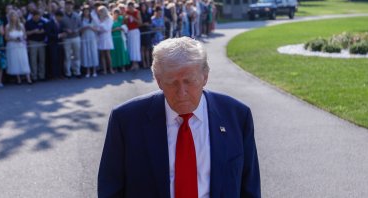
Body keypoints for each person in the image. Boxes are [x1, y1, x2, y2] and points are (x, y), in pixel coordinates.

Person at [98, 37, 261, 197]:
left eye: (189, 81)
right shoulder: (126, 120)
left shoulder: (236, 115)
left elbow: (249, 185)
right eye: (172, 83)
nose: (182, 92)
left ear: (205, 77)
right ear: (158, 80)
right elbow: (110, 187)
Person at [5, 10, 32, 84]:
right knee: (15, 61)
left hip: (21, 45)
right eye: (12, 16)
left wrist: (22, 38)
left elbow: (25, 35)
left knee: (24, 60)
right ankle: (18, 78)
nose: (14, 17)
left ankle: (28, 78)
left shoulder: (21, 25)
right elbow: (6, 38)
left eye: (15, 16)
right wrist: (14, 39)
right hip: (12, 45)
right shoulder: (7, 26)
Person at [60, 0, 82, 78]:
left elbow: (80, 26)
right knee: (67, 56)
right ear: (65, 6)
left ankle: (77, 71)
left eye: (70, 5)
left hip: (76, 37)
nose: (69, 6)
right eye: (67, 5)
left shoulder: (77, 15)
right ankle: (68, 73)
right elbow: (60, 27)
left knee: (77, 55)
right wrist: (66, 30)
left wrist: (77, 30)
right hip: (67, 38)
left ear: (72, 6)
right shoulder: (62, 16)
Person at [25, 10, 47, 81]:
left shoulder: (43, 22)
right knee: (33, 60)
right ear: (33, 16)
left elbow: (46, 31)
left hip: (41, 42)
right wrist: (34, 31)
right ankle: (34, 76)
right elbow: (26, 33)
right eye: (36, 15)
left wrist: (43, 31)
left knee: (42, 60)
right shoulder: (28, 23)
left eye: (39, 15)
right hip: (33, 42)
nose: (38, 17)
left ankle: (42, 75)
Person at [80, 5, 99, 78]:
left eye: (87, 11)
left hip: (92, 37)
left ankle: (94, 71)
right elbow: (80, 30)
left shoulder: (93, 19)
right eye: (85, 11)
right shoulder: (81, 19)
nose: (86, 12)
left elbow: (97, 29)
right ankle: (88, 71)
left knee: (93, 53)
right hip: (84, 37)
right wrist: (85, 28)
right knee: (86, 53)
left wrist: (90, 27)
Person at [96, 5, 114, 74]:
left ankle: (111, 69)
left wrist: (100, 26)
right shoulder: (99, 19)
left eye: (100, 11)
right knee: (102, 54)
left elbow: (107, 28)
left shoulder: (109, 18)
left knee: (108, 54)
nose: (99, 13)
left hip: (107, 37)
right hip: (101, 37)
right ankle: (105, 70)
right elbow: (98, 29)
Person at [125, 1, 142, 70]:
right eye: (129, 7)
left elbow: (140, 23)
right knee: (130, 47)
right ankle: (132, 63)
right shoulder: (126, 13)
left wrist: (133, 18)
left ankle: (136, 63)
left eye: (131, 7)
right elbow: (125, 23)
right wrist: (126, 18)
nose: (130, 8)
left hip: (135, 31)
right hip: (129, 32)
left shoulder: (137, 12)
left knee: (135, 47)